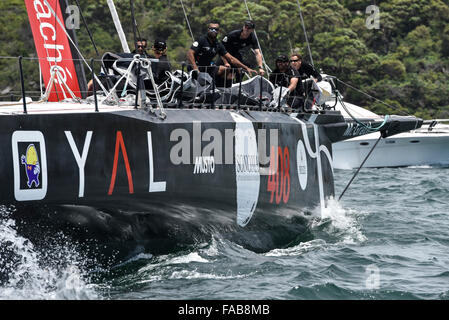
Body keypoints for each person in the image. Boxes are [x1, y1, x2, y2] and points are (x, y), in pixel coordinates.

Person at [186, 22, 256, 79]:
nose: (213, 31)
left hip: (208, 68)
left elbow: (231, 59)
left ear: (218, 31)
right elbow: (190, 53)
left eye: (216, 29)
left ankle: (220, 88)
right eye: (211, 29)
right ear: (208, 30)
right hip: (196, 68)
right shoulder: (202, 40)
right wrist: (195, 69)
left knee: (226, 69)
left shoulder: (218, 44)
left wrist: (246, 68)